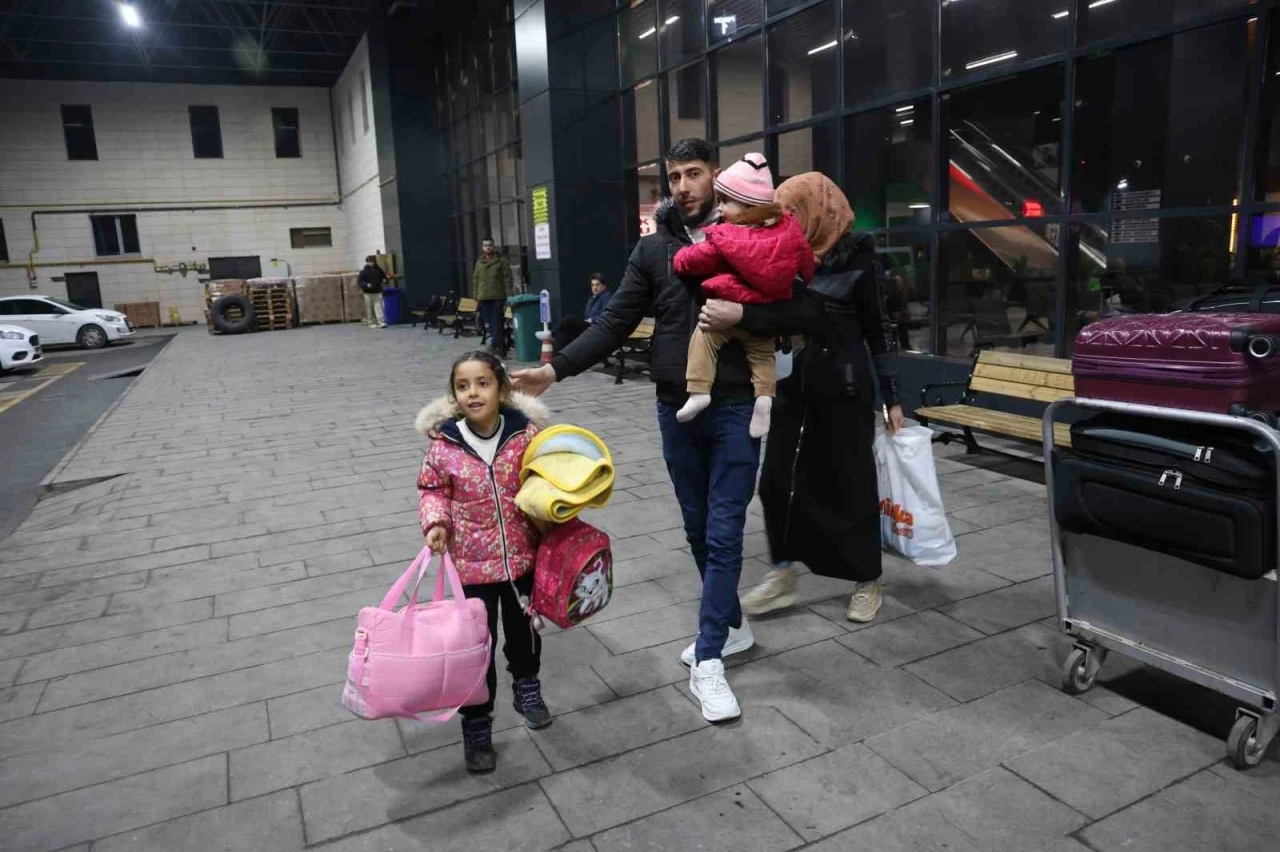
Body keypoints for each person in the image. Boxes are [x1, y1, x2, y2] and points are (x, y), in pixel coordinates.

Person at [512, 138, 789, 724]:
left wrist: (747, 317)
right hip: (674, 405)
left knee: (723, 530)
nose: (683, 185)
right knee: (695, 526)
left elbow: (796, 309)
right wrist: (553, 369)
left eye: (694, 173)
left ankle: (708, 659)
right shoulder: (654, 247)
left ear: (716, 175)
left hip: (738, 404)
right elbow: (615, 321)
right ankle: (730, 628)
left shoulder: (757, 231)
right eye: (674, 176)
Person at [701, 173, 905, 623]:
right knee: (776, 480)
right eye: (782, 213)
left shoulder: (860, 259)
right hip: (792, 386)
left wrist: (892, 397)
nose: (786, 220)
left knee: (850, 485)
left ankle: (867, 579)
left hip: (846, 388)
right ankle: (783, 572)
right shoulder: (785, 254)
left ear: (819, 209)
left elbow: (881, 330)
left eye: (793, 212)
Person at [416, 350, 551, 773]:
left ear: (502, 389)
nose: (472, 392)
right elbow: (432, 489)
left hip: (521, 562)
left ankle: (527, 684)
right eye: (462, 386)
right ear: (454, 395)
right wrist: (436, 522)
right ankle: (476, 722)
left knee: (524, 633)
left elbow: (546, 478)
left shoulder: (525, 435)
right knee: (474, 649)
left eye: (482, 383)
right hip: (470, 567)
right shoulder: (445, 445)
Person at [673, 153, 813, 438]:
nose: (721, 208)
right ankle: (764, 398)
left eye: (725, 201)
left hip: (729, 303)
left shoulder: (727, 235)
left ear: (747, 204)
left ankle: (699, 390)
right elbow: (806, 262)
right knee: (762, 356)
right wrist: (806, 275)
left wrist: (680, 259)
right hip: (765, 310)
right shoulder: (790, 230)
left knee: (704, 337)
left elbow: (696, 259)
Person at [553, 274, 612, 352]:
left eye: (597, 285)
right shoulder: (592, 299)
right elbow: (586, 315)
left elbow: (606, 315)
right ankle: (556, 358)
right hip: (588, 327)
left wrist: (591, 320)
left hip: (597, 328)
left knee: (569, 319)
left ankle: (553, 333)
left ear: (604, 286)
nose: (594, 288)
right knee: (562, 333)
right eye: (593, 285)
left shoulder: (606, 296)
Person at [473, 238, 512, 356]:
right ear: (482, 247)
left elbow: (508, 280)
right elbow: (476, 279)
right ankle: (501, 349)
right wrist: (476, 297)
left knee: (497, 323)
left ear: (493, 246)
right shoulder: (479, 262)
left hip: (497, 297)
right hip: (483, 298)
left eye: (490, 245)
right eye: (485, 245)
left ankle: (495, 345)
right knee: (490, 323)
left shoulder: (501, 261)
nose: (488, 247)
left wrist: (509, 297)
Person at [357, 254, 387, 328]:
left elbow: (384, 277)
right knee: (369, 308)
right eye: (370, 262)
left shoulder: (378, 270)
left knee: (379, 307)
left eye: (373, 262)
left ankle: (381, 321)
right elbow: (360, 282)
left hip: (378, 291)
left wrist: (385, 280)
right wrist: (366, 285)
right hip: (368, 292)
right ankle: (371, 322)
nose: (372, 263)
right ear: (367, 262)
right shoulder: (363, 272)